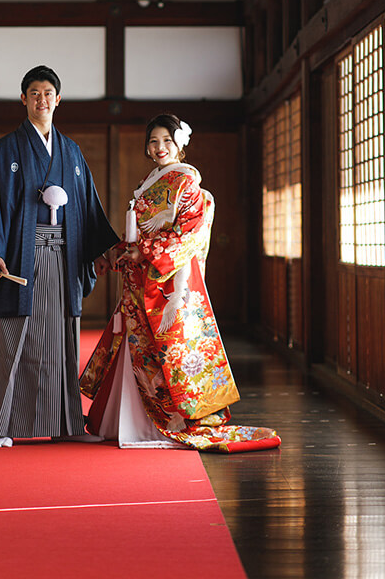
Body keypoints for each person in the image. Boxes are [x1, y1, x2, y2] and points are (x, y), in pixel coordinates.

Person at [81, 113, 281, 453]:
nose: (160, 147)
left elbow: (186, 235)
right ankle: (124, 421)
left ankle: (165, 422)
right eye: (154, 141)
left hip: (165, 281)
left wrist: (141, 252)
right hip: (139, 277)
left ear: (180, 145)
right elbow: (138, 231)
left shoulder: (187, 182)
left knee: (166, 352)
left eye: (167, 141)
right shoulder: (152, 180)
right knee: (135, 347)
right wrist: (116, 253)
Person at [0, 65, 119, 447]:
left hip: (64, 258)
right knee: (14, 333)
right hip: (21, 257)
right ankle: (4, 425)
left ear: (58, 100)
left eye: (48, 93)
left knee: (61, 339)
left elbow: (87, 208)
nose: (41, 100)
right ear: (23, 99)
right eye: (34, 93)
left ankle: (64, 424)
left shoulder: (72, 152)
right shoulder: (7, 149)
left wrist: (100, 250)